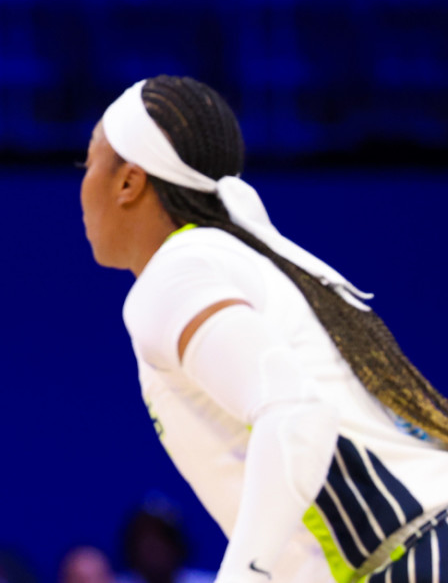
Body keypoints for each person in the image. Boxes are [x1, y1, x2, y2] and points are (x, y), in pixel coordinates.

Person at [79, 75, 448, 583]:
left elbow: (296, 412)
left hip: (413, 557)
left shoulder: (175, 270)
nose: (82, 181)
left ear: (129, 182)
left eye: (89, 161)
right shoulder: (231, 256)